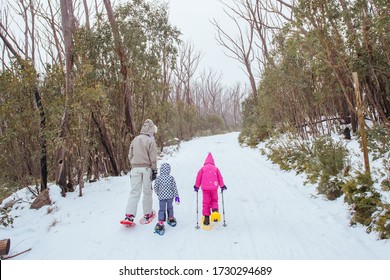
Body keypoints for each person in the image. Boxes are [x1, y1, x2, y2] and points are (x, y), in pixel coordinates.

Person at [123, 119, 158, 224]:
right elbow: (153, 158)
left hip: (135, 169)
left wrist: (134, 163)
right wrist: (154, 170)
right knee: (147, 191)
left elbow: (130, 155)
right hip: (147, 169)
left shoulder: (135, 139)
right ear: (151, 130)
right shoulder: (151, 141)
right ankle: (148, 214)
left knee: (134, 191)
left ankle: (129, 216)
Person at [194, 152, 227, 230]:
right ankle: (215, 213)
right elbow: (220, 178)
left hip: (205, 188)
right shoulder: (216, 168)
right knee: (214, 200)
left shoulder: (202, 168)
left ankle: (206, 219)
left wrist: (196, 186)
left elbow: (198, 177)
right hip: (214, 187)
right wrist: (222, 186)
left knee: (206, 203)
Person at [153, 162, 180, 233]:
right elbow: (174, 188)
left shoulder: (158, 178)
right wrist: (176, 196)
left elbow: (155, 187)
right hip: (170, 197)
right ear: (169, 170)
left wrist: (158, 193)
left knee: (162, 209)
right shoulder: (171, 178)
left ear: (161, 170)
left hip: (162, 197)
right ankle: (171, 218)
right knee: (170, 207)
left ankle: (161, 222)